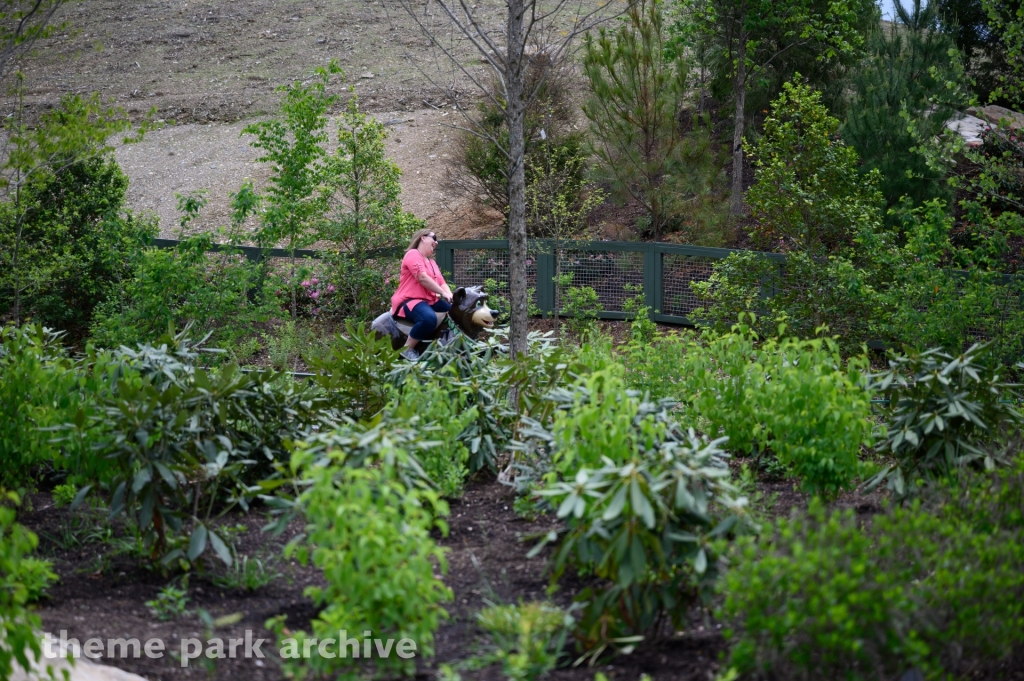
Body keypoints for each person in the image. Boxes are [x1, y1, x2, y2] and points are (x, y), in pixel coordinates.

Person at [391, 228, 453, 361]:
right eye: (434, 238)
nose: (436, 243)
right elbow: (422, 278)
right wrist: (442, 293)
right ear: (423, 238)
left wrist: (449, 295)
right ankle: (407, 349)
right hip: (410, 300)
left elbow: (442, 282)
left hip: (430, 301)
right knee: (429, 318)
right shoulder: (413, 254)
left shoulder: (432, 263)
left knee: (456, 312)